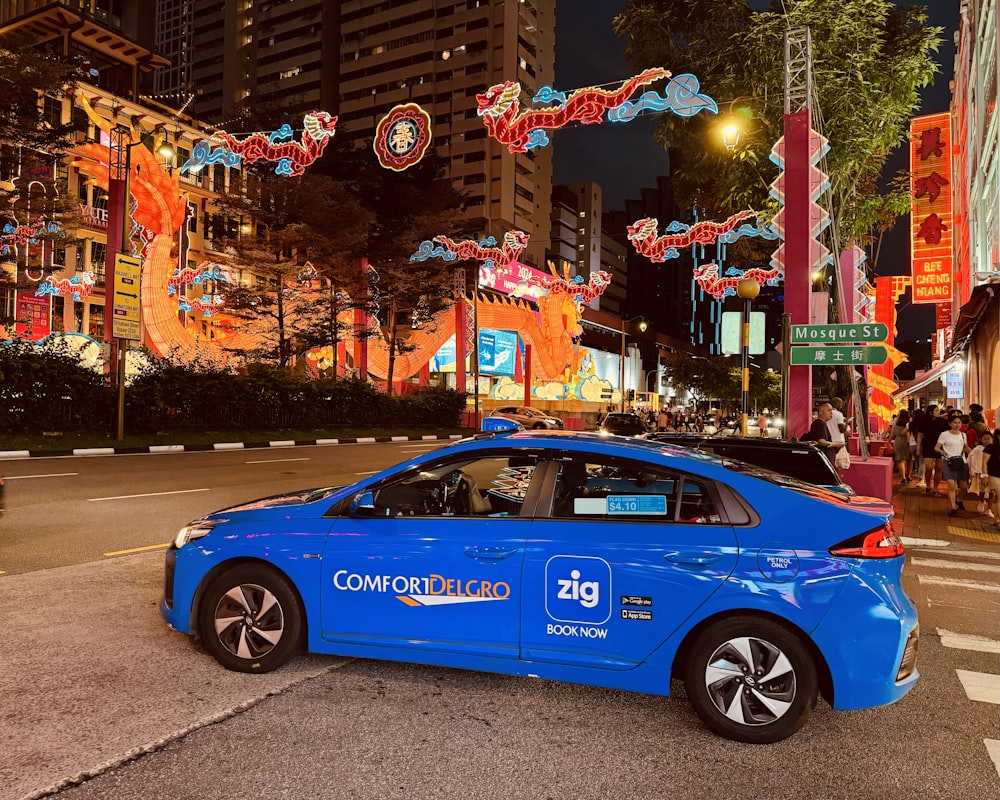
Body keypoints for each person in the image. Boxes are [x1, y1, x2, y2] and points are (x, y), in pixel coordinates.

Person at [935, 413, 971, 516]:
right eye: (955, 422)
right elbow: (936, 447)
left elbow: (965, 447)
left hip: (961, 462)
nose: (957, 424)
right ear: (950, 423)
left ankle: (959, 500)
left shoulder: (963, 435)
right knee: (951, 485)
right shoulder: (944, 434)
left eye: (959, 422)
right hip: (949, 462)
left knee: (964, 486)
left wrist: (973, 452)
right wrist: (942, 452)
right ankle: (953, 508)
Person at [917, 405, 949, 495]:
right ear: (930, 412)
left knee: (939, 468)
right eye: (936, 410)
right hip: (927, 446)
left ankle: (935, 487)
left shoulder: (942, 421)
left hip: (940, 446)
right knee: (929, 467)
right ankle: (927, 485)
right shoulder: (924, 422)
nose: (938, 412)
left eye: (938, 410)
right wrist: (918, 448)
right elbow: (920, 436)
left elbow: (947, 433)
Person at [967, 431, 994, 517]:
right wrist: (972, 471)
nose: (987, 441)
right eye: (985, 439)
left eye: (989, 439)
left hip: (993, 473)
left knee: (992, 491)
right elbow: (970, 459)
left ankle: (989, 509)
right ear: (980, 439)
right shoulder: (977, 449)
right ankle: (981, 501)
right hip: (981, 472)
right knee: (982, 490)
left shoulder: (995, 449)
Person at [982, 430, 1000, 529]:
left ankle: (997, 518)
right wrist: (984, 476)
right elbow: (984, 463)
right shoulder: (991, 448)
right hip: (994, 475)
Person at [891, 409, 913, 484]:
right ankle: (909, 476)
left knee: (900, 460)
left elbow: (892, 434)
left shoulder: (896, 423)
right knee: (909, 459)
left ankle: (903, 477)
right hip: (908, 442)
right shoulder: (909, 423)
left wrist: (888, 441)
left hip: (898, 441)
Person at [909, 408, 926, 488]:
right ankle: (921, 479)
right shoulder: (924, 424)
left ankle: (920, 477)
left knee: (918, 462)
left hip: (912, 444)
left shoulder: (911, 424)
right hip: (922, 444)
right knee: (922, 462)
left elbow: (908, 434)